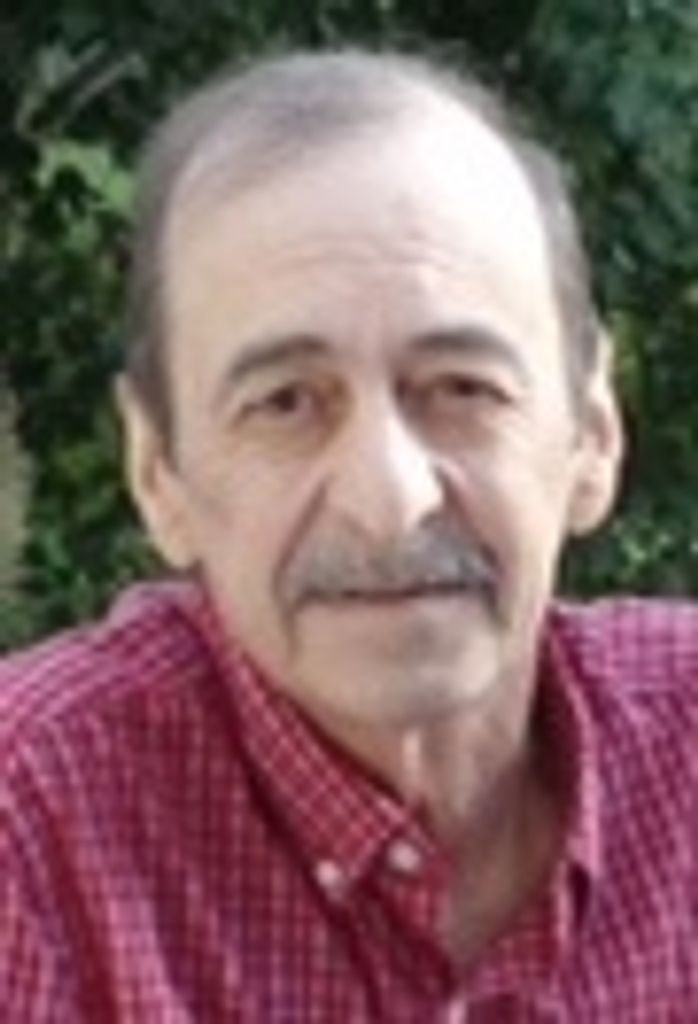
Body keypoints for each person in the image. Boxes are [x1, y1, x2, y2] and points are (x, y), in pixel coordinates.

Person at [1, 49, 696, 1023]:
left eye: (461, 388)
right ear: (159, 472)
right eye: (285, 403)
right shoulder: (28, 842)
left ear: (591, 435)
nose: (390, 499)